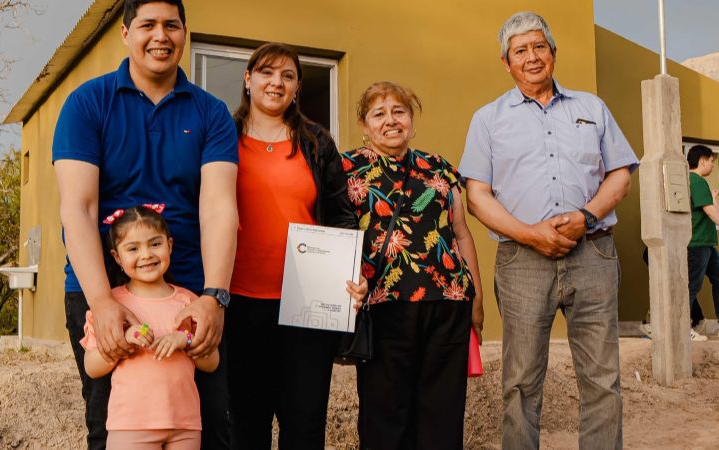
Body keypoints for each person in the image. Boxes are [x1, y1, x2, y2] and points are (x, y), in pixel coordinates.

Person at [52, 1, 238, 448]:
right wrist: (102, 302)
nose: (161, 36)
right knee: (110, 423)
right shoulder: (86, 103)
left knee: (211, 424)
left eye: (171, 25)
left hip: (190, 286)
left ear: (185, 33)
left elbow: (219, 208)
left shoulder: (212, 113)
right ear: (125, 33)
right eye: (148, 25)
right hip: (101, 282)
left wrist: (214, 297)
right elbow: (77, 207)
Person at [459, 11, 639, 450]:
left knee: (601, 376)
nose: (532, 56)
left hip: (593, 253)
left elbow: (620, 174)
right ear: (506, 62)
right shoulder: (488, 119)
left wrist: (587, 217)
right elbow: (476, 196)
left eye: (540, 46)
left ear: (553, 53)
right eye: (520, 50)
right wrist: (528, 234)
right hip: (522, 261)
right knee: (521, 380)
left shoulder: (591, 108)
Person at [226, 42, 366, 450]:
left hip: (308, 306)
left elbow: (342, 213)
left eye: (288, 76)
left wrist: (350, 274)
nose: (277, 82)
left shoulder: (317, 141)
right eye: (267, 72)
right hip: (239, 302)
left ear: (297, 87)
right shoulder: (222, 134)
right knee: (245, 426)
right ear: (248, 79)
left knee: (304, 425)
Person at [342, 81, 484, 450]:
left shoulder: (437, 167)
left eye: (399, 111)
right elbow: (336, 234)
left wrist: (477, 298)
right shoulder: (347, 169)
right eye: (379, 113)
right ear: (364, 123)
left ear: (411, 119)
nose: (391, 121)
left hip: (448, 303)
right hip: (384, 306)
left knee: (442, 416)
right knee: (385, 418)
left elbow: (462, 234)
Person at [82, 205, 220, 450]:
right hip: (131, 426)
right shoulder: (112, 307)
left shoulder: (190, 302)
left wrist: (185, 340)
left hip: (184, 425)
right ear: (117, 257)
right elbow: (92, 368)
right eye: (133, 249)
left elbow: (211, 362)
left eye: (155, 244)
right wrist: (123, 340)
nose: (146, 255)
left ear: (170, 245)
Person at [686, 144, 719, 340]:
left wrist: (713, 199)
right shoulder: (697, 180)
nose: (713, 166)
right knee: (691, 286)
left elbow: (709, 207)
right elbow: (710, 211)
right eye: (712, 162)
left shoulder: (695, 181)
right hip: (697, 244)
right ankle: (682, 328)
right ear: (702, 161)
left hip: (706, 243)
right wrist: (712, 204)